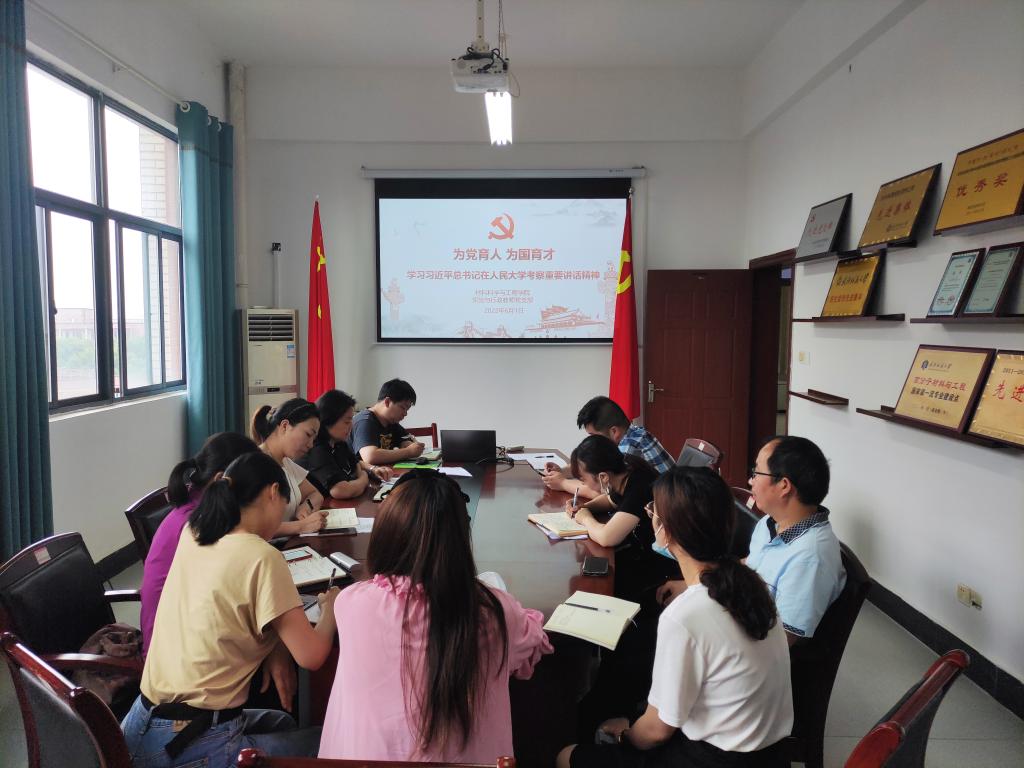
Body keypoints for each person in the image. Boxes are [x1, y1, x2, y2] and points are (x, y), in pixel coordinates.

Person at [558, 467, 793, 768]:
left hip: (715, 759)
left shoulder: (685, 615)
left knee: (567, 756)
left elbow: (656, 732)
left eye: (652, 511)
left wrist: (626, 736)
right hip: (771, 755)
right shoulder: (752, 585)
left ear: (665, 531)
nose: (650, 516)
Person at [121, 451, 340, 768]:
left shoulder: (195, 532)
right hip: (187, 739)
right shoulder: (262, 557)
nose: (283, 516)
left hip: (141, 724)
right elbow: (312, 656)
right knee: (326, 741)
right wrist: (331, 606)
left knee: (282, 722)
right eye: (284, 504)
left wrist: (276, 645)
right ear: (272, 493)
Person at [318, 469, 553, 763]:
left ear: (384, 535)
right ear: (460, 539)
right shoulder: (495, 612)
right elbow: (533, 642)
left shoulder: (351, 603)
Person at [658, 435, 845, 645]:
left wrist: (703, 616)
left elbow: (781, 643)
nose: (750, 481)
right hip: (738, 614)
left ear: (784, 486)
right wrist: (694, 586)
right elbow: (749, 564)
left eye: (756, 473)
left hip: (754, 649)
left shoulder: (810, 558)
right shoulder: (771, 522)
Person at [565, 435, 677, 738]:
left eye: (585, 479)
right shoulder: (626, 475)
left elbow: (607, 536)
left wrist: (585, 517)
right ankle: (598, 667)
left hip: (662, 574)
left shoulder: (639, 485)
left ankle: (608, 687)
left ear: (602, 476)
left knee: (602, 589)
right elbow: (613, 501)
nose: (584, 485)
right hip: (645, 562)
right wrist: (586, 507)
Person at [139, 431, 259, 655]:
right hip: (171, 651)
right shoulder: (198, 524)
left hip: (187, 629)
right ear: (221, 479)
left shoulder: (198, 505)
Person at [543, 395, 673, 501]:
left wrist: (563, 483)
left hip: (666, 513)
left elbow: (606, 494)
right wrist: (563, 471)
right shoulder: (632, 432)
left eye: (593, 435)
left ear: (614, 431)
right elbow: (595, 465)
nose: (592, 441)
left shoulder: (629, 449)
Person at [251, 398, 328, 536]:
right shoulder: (254, 464)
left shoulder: (285, 462)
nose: (311, 445)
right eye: (308, 435)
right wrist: (301, 526)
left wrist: (306, 507)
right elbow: (252, 526)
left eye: (313, 439)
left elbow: (316, 494)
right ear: (285, 426)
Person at [300, 389, 393, 500]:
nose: (351, 426)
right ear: (328, 420)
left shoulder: (339, 443)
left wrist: (372, 469)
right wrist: (363, 478)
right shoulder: (317, 449)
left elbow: (356, 464)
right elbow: (341, 491)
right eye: (346, 422)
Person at [349, 378, 425, 465]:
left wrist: (406, 443)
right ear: (387, 402)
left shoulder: (391, 422)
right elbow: (370, 456)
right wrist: (408, 452)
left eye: (407, 410)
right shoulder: (364, 421)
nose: (405, 414)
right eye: (403, 408)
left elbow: (407, 439)